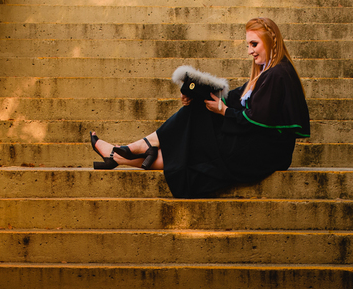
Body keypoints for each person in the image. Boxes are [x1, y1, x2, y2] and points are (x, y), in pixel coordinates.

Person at [90, 17, 311, 198]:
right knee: (197, 117)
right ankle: (121, 156)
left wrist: (223, 111)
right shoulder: (267, 72)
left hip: (265, 153)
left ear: (271, 42)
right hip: (257, 146)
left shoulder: (278, 73)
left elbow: (260, 119)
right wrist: (198, 96)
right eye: (248, 45)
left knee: (198, 145)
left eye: (254, 44)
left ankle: (133, 149)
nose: (249, 51)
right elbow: (236, 97)